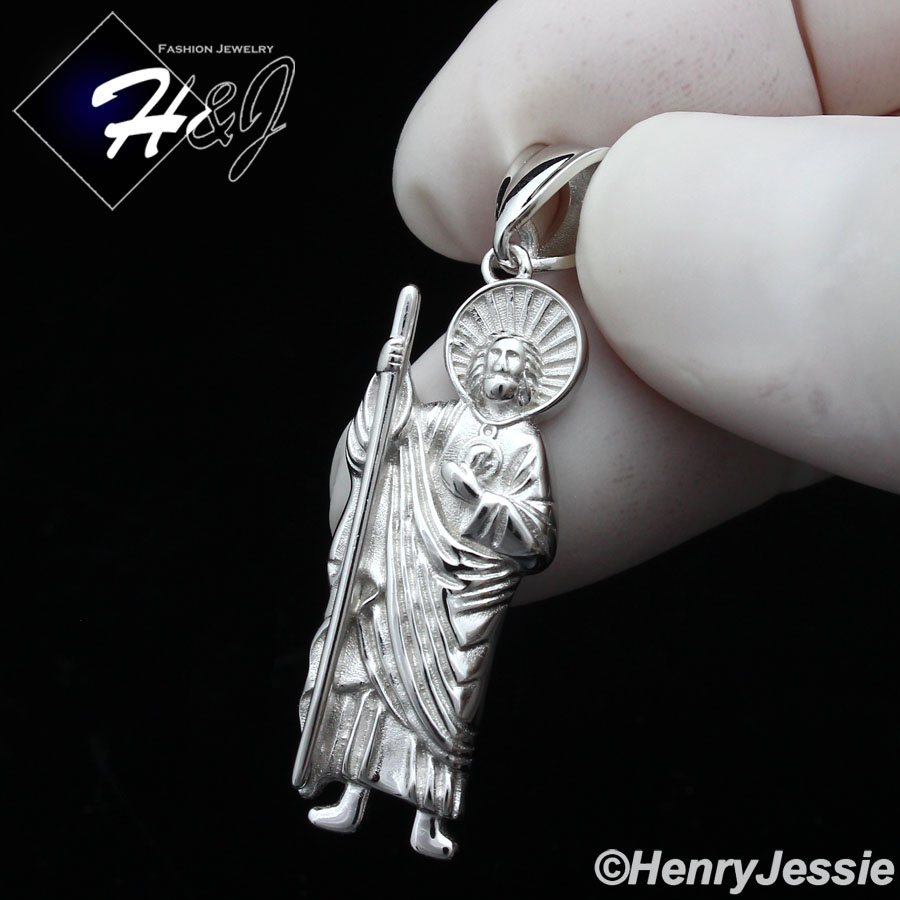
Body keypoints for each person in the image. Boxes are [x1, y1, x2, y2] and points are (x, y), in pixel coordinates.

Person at [297, 280, 584, 857]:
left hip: (467, 594)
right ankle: (352, 793)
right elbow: (380, 448)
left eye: (514, 360)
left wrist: (480, 498)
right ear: (475, 365)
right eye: (495, 355)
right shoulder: (439, 421)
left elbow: (539, 541)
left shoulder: (525, 445)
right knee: (376, 674)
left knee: (448, 697)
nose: (502, 366)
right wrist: (387, 379)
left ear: (530, 377)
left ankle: (428, 819)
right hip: (406, 567)